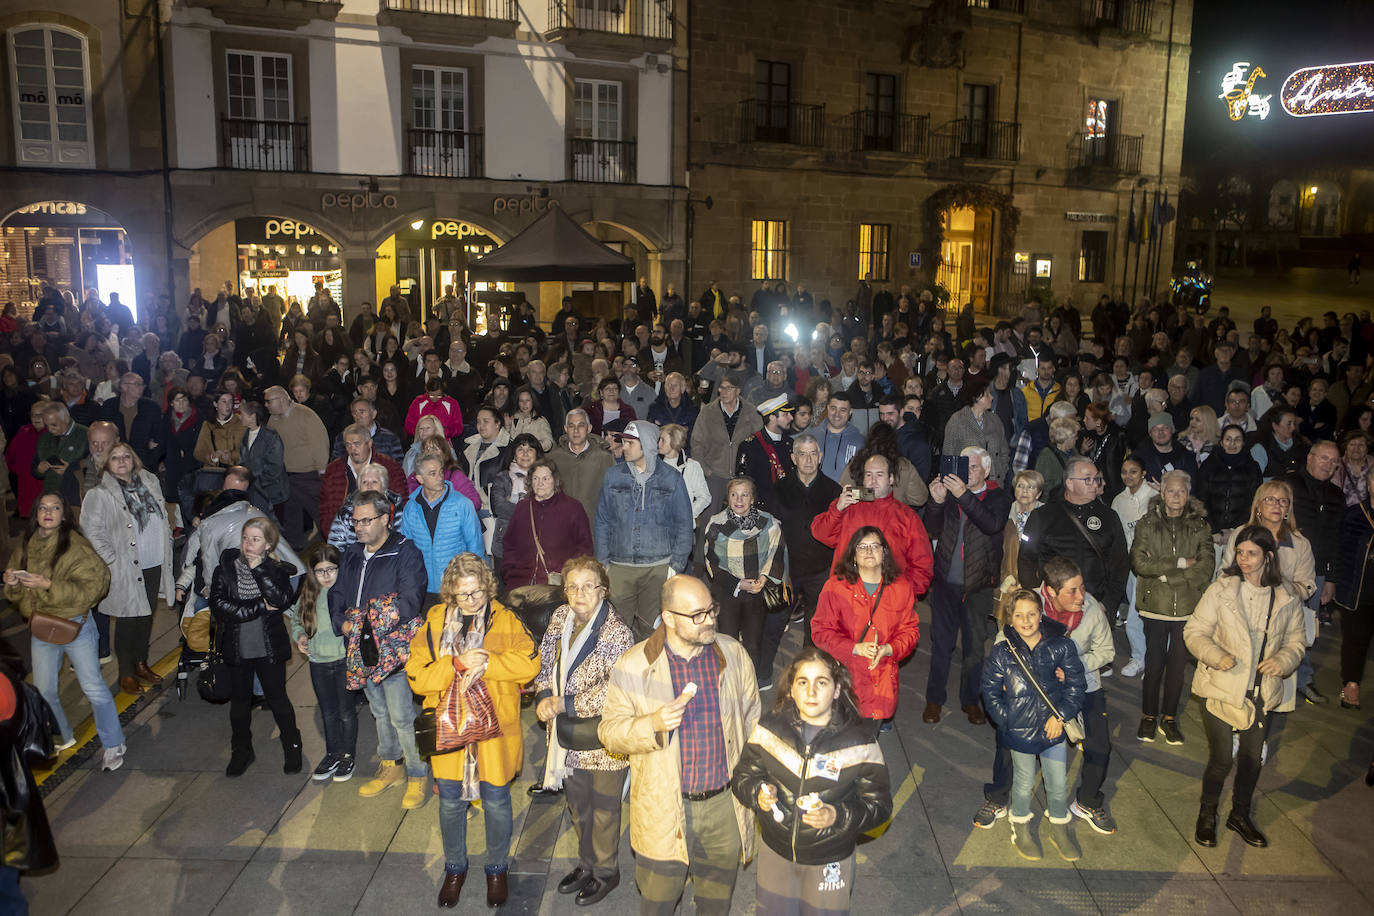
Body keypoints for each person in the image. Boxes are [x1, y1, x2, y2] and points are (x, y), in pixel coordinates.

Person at [598, 574, 761, 916]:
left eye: (712, 610)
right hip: (664, 808)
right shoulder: (633, 664)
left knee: (716, 904)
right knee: (658, 902)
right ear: (669, 618)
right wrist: (652, 725)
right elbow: (609, 732)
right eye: (698, 615)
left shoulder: (731, 654)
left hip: (723, 807)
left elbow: (752, 721)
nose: (711, 620)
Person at [406, 553, 539, 909]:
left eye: (477, 592)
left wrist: (490, 665)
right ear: (449, 591)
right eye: (463, 594)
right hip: (449, 732)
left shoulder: (506, 620)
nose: (471, 601)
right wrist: (456, 664)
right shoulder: (433, 622)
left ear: (488, 587)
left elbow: (531, 663)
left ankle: (496, 868)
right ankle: (455, 868)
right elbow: (416, 674)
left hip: (494, 732)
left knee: (496, 802)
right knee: (450, 802)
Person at [732, 645, 893, 915]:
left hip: (830, 860)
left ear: (838, 689)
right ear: (791, 689)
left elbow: (880, 807)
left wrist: (837, 815)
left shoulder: (859, 742)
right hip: (776, 853)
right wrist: (757, 793)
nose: (811, 692)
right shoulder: (769, 730)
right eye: (803, 682)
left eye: (822, 682)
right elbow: (743, 776)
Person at [1185, 525, 1306, 848]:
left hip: (1260, 692)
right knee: (1222, 758)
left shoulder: (1286, 595)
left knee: (1253, 759)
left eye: (1251, 553)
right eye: (1240, 553)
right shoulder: (1221, 590)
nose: (1244, 559)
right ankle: (1207, 814)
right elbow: (1194, 632)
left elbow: (1297, 640)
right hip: (1221, 687)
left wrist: (1283, 660)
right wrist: (1216, 655)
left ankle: (1240, 814)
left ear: (1268, 556)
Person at [532, 557, 635, 906]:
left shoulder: (617, 632)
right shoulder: (560, 617)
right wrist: (544, 693)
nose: (579, 593)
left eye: (588, 585)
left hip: (604, 740)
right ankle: (586, 863)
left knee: (605, 809)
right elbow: (544, 657)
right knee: (578, 806)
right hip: (567, 739)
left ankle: (606, 872)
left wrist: (563, 704)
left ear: (602, 590)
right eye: (572, 586)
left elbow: (615, 688)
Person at [3, 493, 124, 769]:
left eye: (55, 508)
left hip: (76, 626)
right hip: (42, 627)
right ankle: (63, 735)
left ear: (64, 515)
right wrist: (12, 581)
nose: (48, 512)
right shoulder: (27, 545)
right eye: (43, 508)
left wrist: (48, 585)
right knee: (44, 689)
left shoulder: (77, 547)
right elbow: (19, 593)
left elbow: (93, 590)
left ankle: (114, 744)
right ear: (35, 514)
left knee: (93, 687)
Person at [329, 490, 429, 809]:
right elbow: (337, 594)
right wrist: (341, 624)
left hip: (392, 651)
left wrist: (365, 623)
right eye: (355, 521)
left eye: (366, 520)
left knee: (401, 715)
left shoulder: (404, 551)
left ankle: (417, 773)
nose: (359, 527)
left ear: (385, 519)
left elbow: (410, 601)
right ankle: (391, 765)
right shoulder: (351, 554)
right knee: (379, 711)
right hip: (361, 651)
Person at [981, 588, 1087, 862]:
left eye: (1031, 614)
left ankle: (1059, 828)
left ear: (1041, 615)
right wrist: (1008, 720)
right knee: (1023, 780)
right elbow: (990, 691)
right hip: (1019, 729)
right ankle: (1020, 827)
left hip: (1054, 728)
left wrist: (1060, 716)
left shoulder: (1062, 645)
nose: (1026, 621)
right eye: (1019, 615)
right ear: (1010, 619)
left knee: (1057, 782)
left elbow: (1077, 686)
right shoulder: (1002, 652)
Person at [922, 446, 1010, 725]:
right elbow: (931, 529)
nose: (967, 471)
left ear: (986, 470)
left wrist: (964, 496)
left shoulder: (998, 496)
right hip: (946, 581)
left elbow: (991, 524)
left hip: (978, 585)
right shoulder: (949, 494)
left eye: (972, 467)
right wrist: (935, 502)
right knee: (941, 645)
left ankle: (970, 701)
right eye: (963, 465)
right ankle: (934, 700)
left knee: (974, 649)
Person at [209, 517, 301, 776]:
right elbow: (220, 607)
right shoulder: (225, 569)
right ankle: (241, 750)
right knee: (239, 704)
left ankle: (292, 744)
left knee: (278, 700)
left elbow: (280, 600)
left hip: (268, 647)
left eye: (256, 539)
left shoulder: (277, 570)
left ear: (268, 544)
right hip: (237, 647)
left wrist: (259, 569)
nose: (248, 544)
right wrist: (259, 607)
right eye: (245, 538)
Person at [80, 441, 174, 696]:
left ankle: (141, 662)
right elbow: (91, 531)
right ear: (106, 465)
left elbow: (162, 514)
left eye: (126, 456)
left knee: (146, 615)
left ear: (134, 459)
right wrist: (112, 558)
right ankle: (125, 673)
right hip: (126, 567)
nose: (122, 461)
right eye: (115, 458)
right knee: (127, 619)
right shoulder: (100, 494)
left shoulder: (149, 482)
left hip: (154, 560)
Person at [1131, 470, 1215, 745]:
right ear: (1162, 493)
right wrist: (1178, 564)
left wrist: (1168, 576)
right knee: (1154, 664)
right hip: (1155, 605)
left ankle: (1169, 718)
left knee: (1178, 668)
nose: (1176, 496)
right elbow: (1140, 564)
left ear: (1188, 494)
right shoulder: (1147, 523)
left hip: (1188, 608)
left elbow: (1205, 568)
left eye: (1181, 491)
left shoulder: (1200, 526)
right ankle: (1148, 716)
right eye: (1171, 491)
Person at [811, 527, 919, 734]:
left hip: (881, 682)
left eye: (875, 546)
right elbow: (820, 631)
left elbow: (910, 631)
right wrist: (854, 648)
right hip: (846, 679)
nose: (869, 551)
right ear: (853, 555)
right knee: (839, 744)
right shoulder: (836, 587)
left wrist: (889, 648)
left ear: (884, 552)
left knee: (868, 742)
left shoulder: (901, 587)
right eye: (862, 547)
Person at [594, 420, 694, 638]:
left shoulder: (672, 478)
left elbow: (685, 525)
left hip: (658, 568)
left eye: (630, 443)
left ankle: (649, 672)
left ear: (647, 444)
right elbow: (602, 520)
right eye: (624, 442)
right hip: (619, 568)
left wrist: (675, 566)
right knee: (614, 633)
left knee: (652, 632)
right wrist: (603, 563)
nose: (624, 447)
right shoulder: (613, 476)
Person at [1018, 455, 1129, 618]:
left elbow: (1120, 563)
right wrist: (1038, 601)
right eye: (1087, 479)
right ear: (1069, 483)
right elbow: (1026, 560)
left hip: (1095, 606)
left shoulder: (1109, 517)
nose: (1095, 484)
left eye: (1096, 479)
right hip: (1053, 607)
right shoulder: (1043, 516)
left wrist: (1107, 604)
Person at [704, 476, 787, 688]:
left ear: (752, 499)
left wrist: (763, 578)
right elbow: (712, 562)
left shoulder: (769, 524)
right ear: (727, 498)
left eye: (744, 495)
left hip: (756, 592)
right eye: (734, 494)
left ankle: (748, 685)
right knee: (727, 640)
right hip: (728, 590)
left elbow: (776, 552)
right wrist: (738, 584)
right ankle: (729, 683)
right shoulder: (716, 523)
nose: (739, 499)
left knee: (752, 643)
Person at [811, 452, 934, 594]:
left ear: (891, 479)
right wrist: (838, 509)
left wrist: (902, 596)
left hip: (888, 600)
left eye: (879, 475)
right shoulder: (848, 506)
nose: (873, 480)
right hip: (846, 596)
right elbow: (820, 533)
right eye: (869, 475)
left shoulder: (907, 517)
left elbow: (922, 566)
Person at [1280, 441, 1343, 705]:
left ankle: (1302, 679)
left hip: (1315, 574)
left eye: (1333, 461)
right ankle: (1276, 679)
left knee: (1306, 629)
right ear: (1310, 458)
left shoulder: (1337, 496)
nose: (1328, 464)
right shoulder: (1288, 485)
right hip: (1284, 568)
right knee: (1277, 625)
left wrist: (1330, 578)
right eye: (1323, 458)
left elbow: (1335, 539)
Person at [401, 451, 483, 605]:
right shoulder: (411, 508)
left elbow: (475, 547)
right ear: (419, 478)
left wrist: (476, 584)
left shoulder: (462, 504)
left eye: (440, 471)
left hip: (457, 586)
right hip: (423, 588)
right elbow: (407, 550)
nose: (440, 477)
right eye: (433, 473)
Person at [500, 459, 591, 589]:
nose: (540, 484)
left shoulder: (573, 508)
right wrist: (509, 573)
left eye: (545, 479)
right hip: (521, 584)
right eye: (536, 478)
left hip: (557, 585)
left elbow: (585, 547)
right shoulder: (522, 507)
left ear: (555, 480)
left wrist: (571, 577)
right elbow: (509, 544)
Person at [264, 385, 330, 549]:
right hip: (286, 475)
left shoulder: (306, 415)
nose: (266, 405)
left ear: (282, 399)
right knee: (291, 515)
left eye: (268, 401)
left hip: (308, 475)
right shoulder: (273, 419)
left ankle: (333, 546)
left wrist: (321, 471)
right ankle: (294, 551)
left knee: (319, 512)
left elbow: (320, 443)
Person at [318, 423, 407, 539]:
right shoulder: (333, 469)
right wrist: (332, 534)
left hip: (380, 537)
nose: (352, 449)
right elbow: (324, 507)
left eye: (357, 444)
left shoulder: (390, 467)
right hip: (343, 538)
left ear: (369, 443)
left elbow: (402, 503)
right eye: (348, 445)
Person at [691, 372, 764, 511]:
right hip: (715, 474)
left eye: (728, 388)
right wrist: (705, 469)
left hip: (743, 475)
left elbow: (760, 441)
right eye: (721, 388)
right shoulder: (708, 412)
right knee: (710, 515)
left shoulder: (751, 412)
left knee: (742, 516)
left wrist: (753, 470)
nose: (723, 392)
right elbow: (696, 442)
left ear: (738, 390)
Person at [488, 433, 544, 577]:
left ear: (537, 454)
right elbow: (498, 507)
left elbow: (546, 508)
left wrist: (513, 499)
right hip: (504, 543)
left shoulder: (545, 478)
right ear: (514, 454)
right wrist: (527, 502)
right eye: (520, 449)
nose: (525, 454)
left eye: (530, 449)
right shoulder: (502, 477)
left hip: (537, 543)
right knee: (504, 589)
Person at [238, 400, 288, 515]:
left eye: (242, 414)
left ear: (252, 416)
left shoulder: (270, 436)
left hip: (272, 492)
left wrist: (257, 482)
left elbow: (275, 466)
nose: (239, 417)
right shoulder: (245, 435)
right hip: (253, 492)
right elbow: (243, 462)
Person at [657, 423, 712, 522]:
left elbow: (705, 497)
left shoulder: (691, 466)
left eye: (663, 440)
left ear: (674, 441)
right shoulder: (654, 464)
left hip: (681, 528)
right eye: (659, 440)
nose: (659, 444)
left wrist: (687, 514)